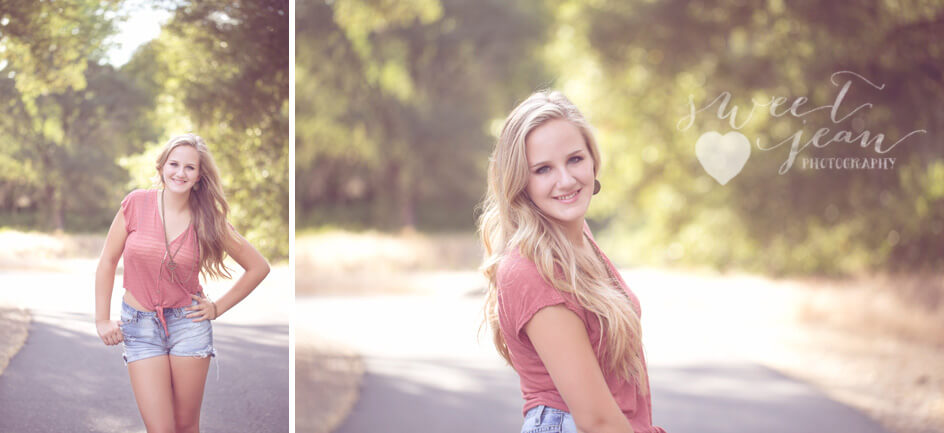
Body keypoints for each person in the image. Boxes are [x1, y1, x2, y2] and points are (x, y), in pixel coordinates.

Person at [478, 91, 666, 433]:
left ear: (593, 159)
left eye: (575, 159)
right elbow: (596, 421)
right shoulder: (530, 271)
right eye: (543, 169)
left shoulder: (577, 240)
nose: (566, 180)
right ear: (520, 181)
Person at [94, 134, 270, 433]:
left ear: (199, 176)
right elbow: (107, 261)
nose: (180, 172)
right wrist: (101, 319)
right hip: (139, 324)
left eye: (190, 167)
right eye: (174, 164)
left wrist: (216, 308)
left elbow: (258, 266)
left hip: (187, 324)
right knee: (161, 429)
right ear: (162, 167)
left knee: (186, 426)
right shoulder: (136, 203)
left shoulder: (209, 219)